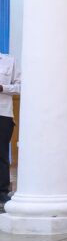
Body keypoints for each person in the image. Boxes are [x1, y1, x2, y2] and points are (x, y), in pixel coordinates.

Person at [0, 49, 19, 209]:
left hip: (3, 114)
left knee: (2, 155)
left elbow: (21, 87)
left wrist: (3, 88)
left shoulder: (9, 61)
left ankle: (2, 192)